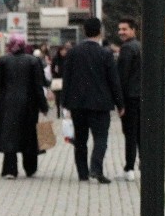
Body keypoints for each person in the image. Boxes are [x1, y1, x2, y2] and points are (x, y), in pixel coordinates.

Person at [62, 17, 124, 184]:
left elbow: (66, 79)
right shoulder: (105, 53)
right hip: (100, 104)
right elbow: (114, 81)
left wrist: (65, 104)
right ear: (100, 31)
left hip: (78, 104)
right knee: (101, 138)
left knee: (80, 140)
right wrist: (120, 104)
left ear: (84, 31)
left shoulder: (73, 52)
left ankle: (82, 173)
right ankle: (96, 169)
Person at [0, 35, 50, 179]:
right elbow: (38, 86)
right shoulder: (33, 61)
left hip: (7, 103)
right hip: (29, 104)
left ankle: (10, 170)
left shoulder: (4, 60)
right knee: (29, 135)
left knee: (10, 135)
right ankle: (30, 168)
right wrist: (43, 105)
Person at [116, 17, 142, 181]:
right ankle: (144, 164)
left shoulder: (126, 49)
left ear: (133, 30)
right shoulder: (140, 47)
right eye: (120, 29)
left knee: (130, 133)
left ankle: (129, 167)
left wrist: (119, 102)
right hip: (141, 96)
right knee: (140, 133)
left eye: (124, 29)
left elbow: (122, 76)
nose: (121, 32)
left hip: (130, 97)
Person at [50, 43, 70, 113]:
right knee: (58, 95)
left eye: (65, 50)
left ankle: (64, 109)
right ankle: (58, 109)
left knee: (65, 94)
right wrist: (55, 73)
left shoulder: (68, 58)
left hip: (66, 79)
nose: (63, 52)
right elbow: (52, 68)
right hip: (57, 79)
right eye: (62, 50)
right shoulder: (56, 58)